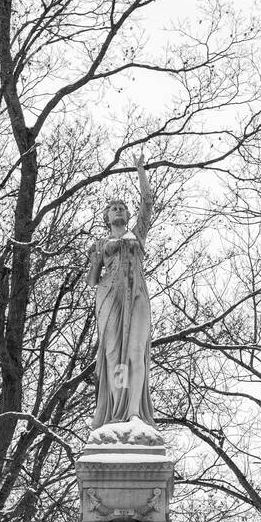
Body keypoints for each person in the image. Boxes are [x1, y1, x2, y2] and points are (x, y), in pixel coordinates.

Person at [86, 157, 155, 428]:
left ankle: (135, 412)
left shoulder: (136, 235)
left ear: (127, 216)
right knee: (114, 354)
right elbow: (92, 281)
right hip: (109, 296)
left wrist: (140, 171)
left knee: (136, 352)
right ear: (107, 218)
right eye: (113, 208)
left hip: (136, 294)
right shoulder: (101, 243)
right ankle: (117, 411)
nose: (118, 210)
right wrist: (94, 263)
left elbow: (147, 203)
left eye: (122, 208)